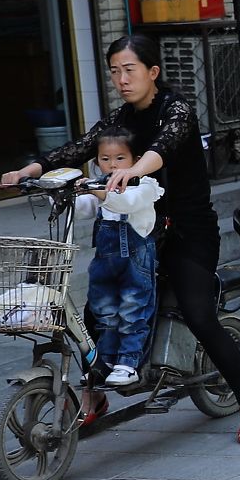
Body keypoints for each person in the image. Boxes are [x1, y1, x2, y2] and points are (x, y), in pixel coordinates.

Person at [0, 35, 240, 443]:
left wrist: (135, 170)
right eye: (114, 71)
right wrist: (29, 171)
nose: (122, 79)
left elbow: (165, 146)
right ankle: (93, 398)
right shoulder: (117, 122)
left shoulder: (175, 110)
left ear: (152, 72)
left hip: (185, 231)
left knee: (198, 315)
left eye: (130, 70)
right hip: (132, 232)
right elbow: (80, 148)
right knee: (94, 314)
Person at [84, 131, 162, 387]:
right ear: (97, 162)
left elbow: (125, 203)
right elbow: (85, 206)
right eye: (105, 159)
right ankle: (105, 361)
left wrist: (98, 192)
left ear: (135, 160)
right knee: (103, 312)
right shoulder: (100, 186)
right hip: (104, 263)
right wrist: (61, 192)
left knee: (133, 309)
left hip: (135, 263)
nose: (113, 164)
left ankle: (129, 362)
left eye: (120, 158)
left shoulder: (145, 187)